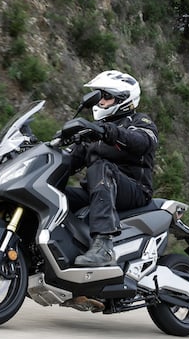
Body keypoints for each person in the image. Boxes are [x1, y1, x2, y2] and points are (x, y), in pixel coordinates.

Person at [65, 70, 159, 267]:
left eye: (106, 96)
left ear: (123, 99)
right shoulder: (95, 131)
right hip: (100, 190)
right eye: (99, 96)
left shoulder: (140, 121)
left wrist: (109, 132)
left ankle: (104, 246)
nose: (100, 102)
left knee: (102, 166)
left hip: (135, 189)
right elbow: (68, 160)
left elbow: (142, 142)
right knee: (58, 196)